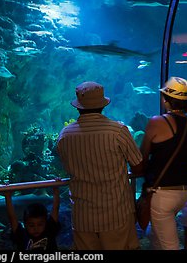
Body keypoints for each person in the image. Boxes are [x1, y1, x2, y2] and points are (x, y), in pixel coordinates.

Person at [56, 81, 143, 250]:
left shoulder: (65, 135)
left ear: (78, 106)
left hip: (82, 216)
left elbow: (67, 167)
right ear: (103, 104)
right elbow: (138, 167)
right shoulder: (117, 131)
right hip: (116, 214)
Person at [139, 76, 187, 250]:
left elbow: (142, 157)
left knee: (170, 246)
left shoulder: (157, 122)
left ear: (166, 99)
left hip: (162, 195)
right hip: (182, 193)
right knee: (154, 234)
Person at [4, 186, 61, 251]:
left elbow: (56, 209)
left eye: (40, 224)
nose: (36, 228)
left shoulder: (49, 231)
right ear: (25, 224)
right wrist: (7, 196)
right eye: (31, 225)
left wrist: (56, 190)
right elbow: (12, 218)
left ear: (45, 222)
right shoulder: (21, 235)